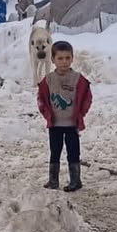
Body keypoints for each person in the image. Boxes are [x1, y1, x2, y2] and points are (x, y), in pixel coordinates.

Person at [36, 40, 92, 192]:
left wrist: (81, 114)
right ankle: (53, 180)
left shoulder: (78, 79)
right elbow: (41, 99)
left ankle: (76, 180)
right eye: (60, 58)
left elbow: (87, 97)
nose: (64, 62)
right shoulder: (48, 80)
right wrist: (47, 114)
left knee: (73, 152)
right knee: (55, 151)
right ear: (53, 59)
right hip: (55, 125)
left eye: (68, 58)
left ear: (72, 58)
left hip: (72, 125)